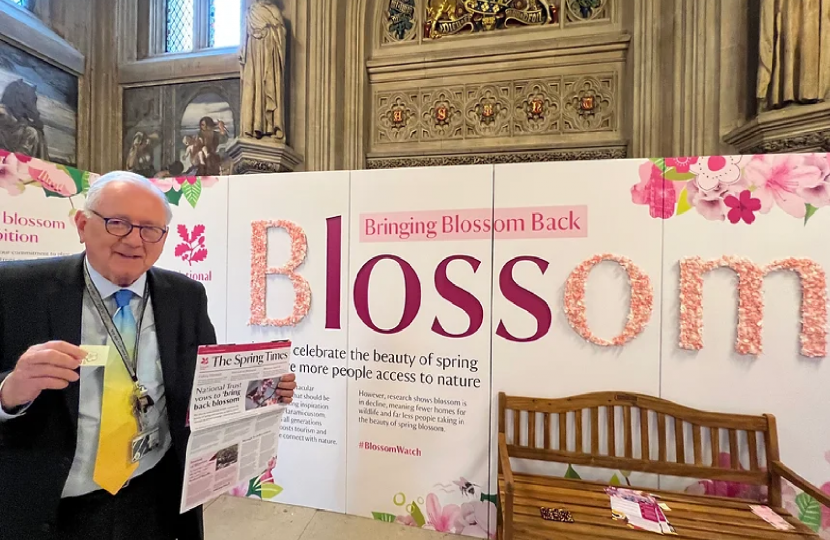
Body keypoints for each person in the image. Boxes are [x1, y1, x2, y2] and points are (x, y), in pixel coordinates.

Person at [0, 171, 297, 540]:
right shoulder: (16, 289)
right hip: (54, 507)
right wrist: (9, 393)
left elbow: (202, 386)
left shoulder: (185, 296)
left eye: (149, 229)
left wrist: (265, 390)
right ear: (82, 224)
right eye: (118, 223)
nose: (133, 240)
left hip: (154, 499)